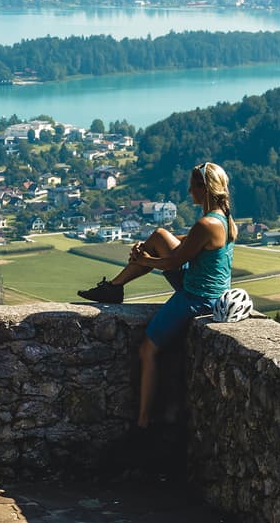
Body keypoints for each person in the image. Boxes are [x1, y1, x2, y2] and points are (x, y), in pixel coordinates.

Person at [77, 161, 236, 428]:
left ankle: (143, 421)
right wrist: (148, 251)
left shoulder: (207, 224)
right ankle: (114, 288)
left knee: (148, 349)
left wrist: (145, 259)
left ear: (204, 188)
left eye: (192, 186)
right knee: (160, 235)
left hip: (197, 297)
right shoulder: (226, 220)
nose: (189, 191)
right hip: (211, 290)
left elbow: (173, 262)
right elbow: (188, 242)